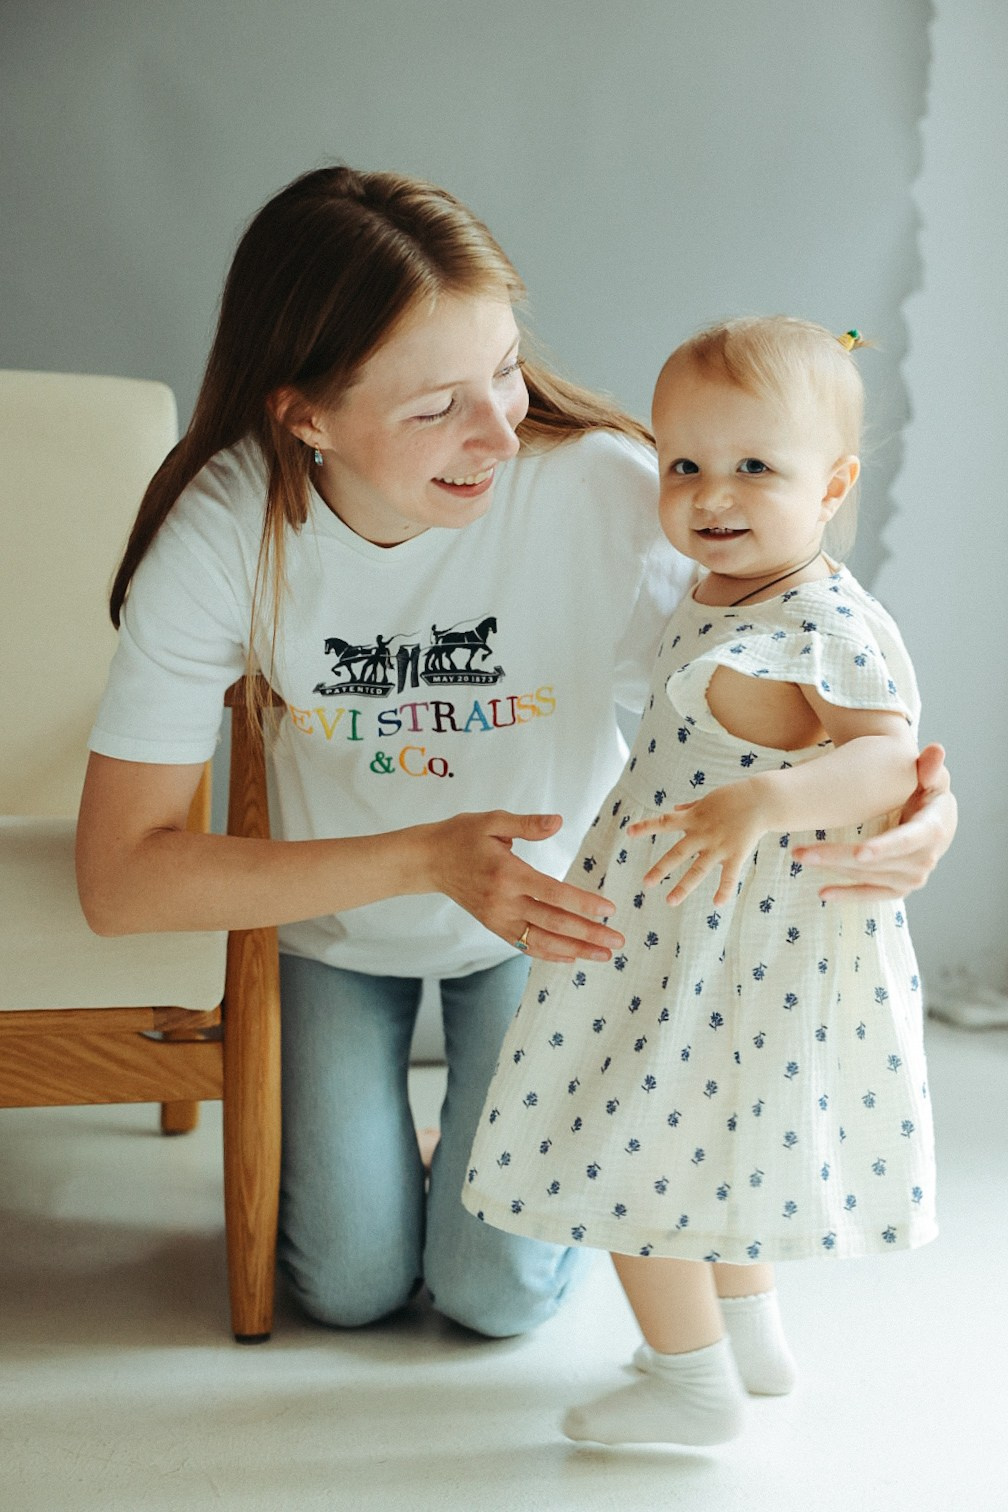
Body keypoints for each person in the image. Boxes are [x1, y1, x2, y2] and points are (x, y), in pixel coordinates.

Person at [75, 167, 954, 1342]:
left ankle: (500, 1171)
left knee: (492, 1296)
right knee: (348, 1285)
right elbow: (121, 878)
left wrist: (911, 810)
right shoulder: (230, 531)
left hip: (559, 931)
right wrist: (431, 858)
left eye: (502, 368)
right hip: (332, 936)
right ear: (306, 415)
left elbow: (811, 676)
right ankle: (443, 1162)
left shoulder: (610, 494)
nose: (499, 431)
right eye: (437, 405)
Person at [461, 317, 940, 1444]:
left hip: (736, 943)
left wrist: (767, 799)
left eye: (754, 468)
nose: (710, 495)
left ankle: (689, 1386)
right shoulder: (723, 589)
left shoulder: (826, 619)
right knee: (706, 1140)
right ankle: (751, 1339)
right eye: (685, 465)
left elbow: (885, 752)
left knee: (628, 1148)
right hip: (679, 931)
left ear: (834, 486)